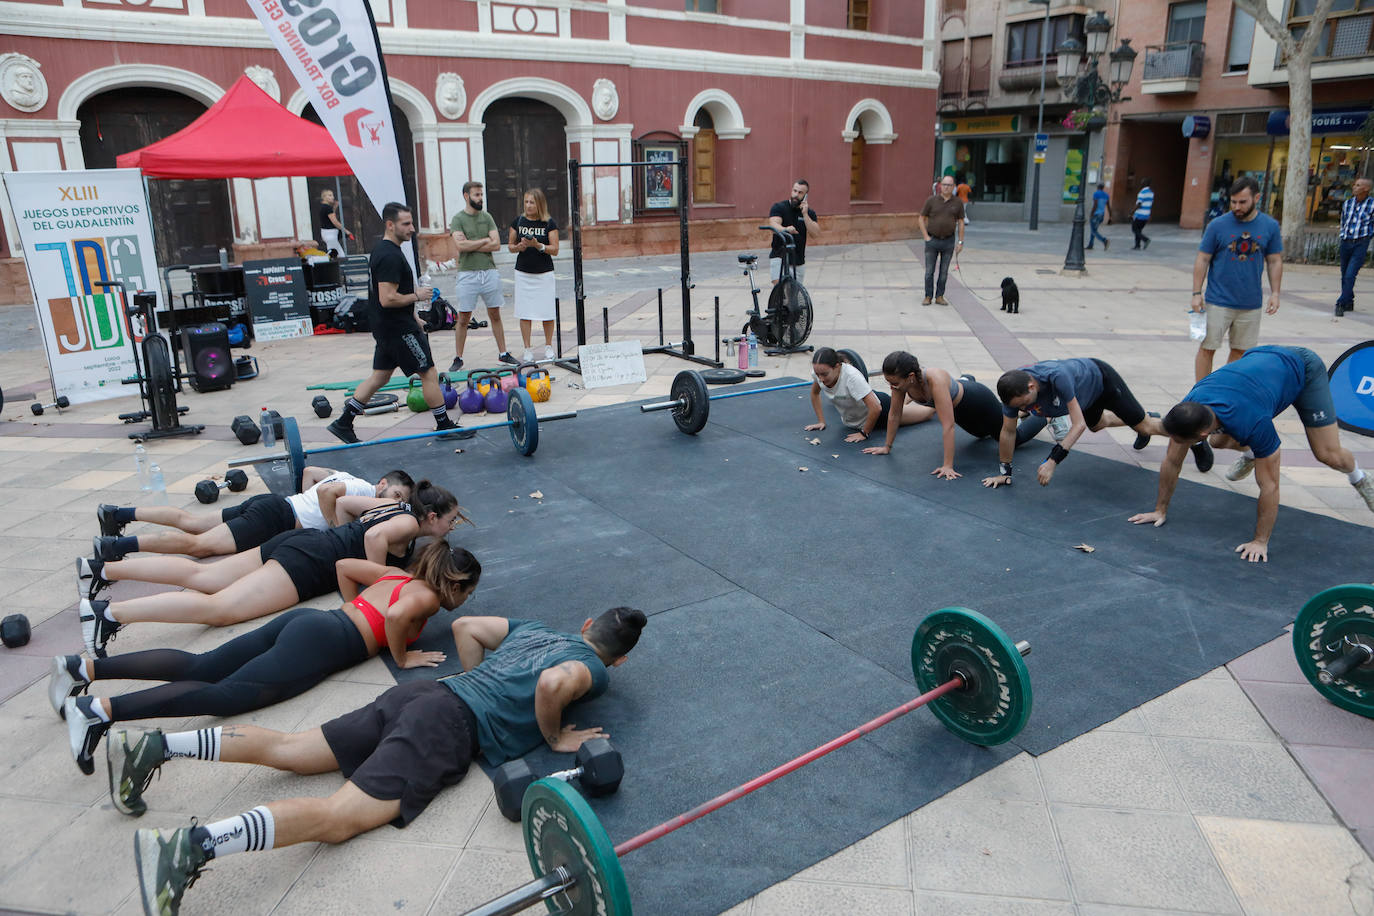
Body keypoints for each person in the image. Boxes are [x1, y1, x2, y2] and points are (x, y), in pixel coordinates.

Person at [122, 607, 647, 915]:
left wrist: (474, 684)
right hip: (443, 726)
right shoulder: (593, 668)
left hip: (419, 695)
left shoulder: (536, 629)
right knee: (338, 818)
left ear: (586, 622)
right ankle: (191, 847)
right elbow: (557, 682)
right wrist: (552, 735)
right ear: (620, 658)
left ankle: (159, 745)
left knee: (290, 747)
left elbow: (466, 627)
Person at [56, 543, 481, 777]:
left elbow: (345, 566)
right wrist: (400, 656)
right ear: (454, 584)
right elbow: (395, 615)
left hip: (312, 622)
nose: (465, 601)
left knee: (201, 665)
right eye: (467, 593)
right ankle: (99, 711)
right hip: (324, 641)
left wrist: (351, 614)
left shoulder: (399, 576)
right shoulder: (424, 597)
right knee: (222, 696)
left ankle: (86, 670)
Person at [75, 484, 464, 658]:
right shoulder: (409, 525)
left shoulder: (392, 506)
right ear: (431, 516)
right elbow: (376, 539)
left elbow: (343, 503)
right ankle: (108, 615)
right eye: (450, 521)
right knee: (219, 609)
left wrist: (333, 534)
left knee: (204, 577)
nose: (451, 528)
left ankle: (104, 568)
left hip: (302, 542)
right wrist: (365, 593)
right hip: (306, 565)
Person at [1130, 345, 1374, 562]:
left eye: (1183, 441)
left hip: (1303, 368)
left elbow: (1270, 486)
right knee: (1219, 442)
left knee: (1327, 454)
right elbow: (1172, 461)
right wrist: (1159, 509)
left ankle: (1360, 477)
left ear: (1201, 434)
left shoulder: (1253, 422)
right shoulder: (1190, 408)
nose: (1176, 443)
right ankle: (1248, 453)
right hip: (1261, 363)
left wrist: (1260, 541)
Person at [326, 203, 466, 444]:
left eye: (411, 223)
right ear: (390, 225)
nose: (411, 228)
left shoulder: (387, 250)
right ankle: (443, 426)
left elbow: (391, 294)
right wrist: (417, 296)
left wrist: (414, 316)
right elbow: (387, 298)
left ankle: (343, 423)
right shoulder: (389, 255)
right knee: (428, 372)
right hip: (397, 328)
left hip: (389, 326)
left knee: (380, 377)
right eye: (406, 224)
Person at [89, 468, 414, 564]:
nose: (395, 503)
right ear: (383, 483)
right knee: (198, 545)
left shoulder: (347, 476)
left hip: (274, 505)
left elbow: (312, 473)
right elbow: (329, 494)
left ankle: (117, 514)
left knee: (191, 523)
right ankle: (115, 548)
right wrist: (331, 528)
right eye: (396, 495)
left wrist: (301, 500)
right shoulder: (364, 490)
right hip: (274, 518)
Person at [981, 358, 1210, 489]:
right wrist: (1004, 471)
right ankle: (1142, 416)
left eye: (1025, 404)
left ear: (1032, 387)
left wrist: (1053, 461)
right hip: (1085, 398)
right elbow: (1008, 432)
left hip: (1102, 381)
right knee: (1097, 424)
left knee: (1146, 427)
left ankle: (1191, 438)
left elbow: (1076, 425)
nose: (1024, 410)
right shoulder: (1013, 393)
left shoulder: (1056, 377)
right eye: (1019, 408)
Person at [862, 351, 1047, 479]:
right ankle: (1017, 410)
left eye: (894, 383)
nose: (891, 387)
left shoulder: (935, 379)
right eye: (888, 382)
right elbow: (894, 414)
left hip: (978, 402)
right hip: (962, 411)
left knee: (1012, 439)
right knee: (982, 435)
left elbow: (948, 425)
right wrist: (887, 446)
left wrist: (948, 465)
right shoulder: (901, 384)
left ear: (910, 376)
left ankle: (1047, 415)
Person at [1190, 176, 1283, 381]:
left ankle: (1223, 390)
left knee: (1241, 352)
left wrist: (1275, 293)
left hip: (1250, 303)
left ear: (1256, 198)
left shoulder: (1270, 226)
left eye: (1242, 202)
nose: (1237, 207)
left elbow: (1274, 260)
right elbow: (1203, 259)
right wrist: (1197, 293)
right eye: (1233, 202)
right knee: (1207, 348)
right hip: (1218, 300)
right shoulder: (1217, 225)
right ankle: (1201, 394)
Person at [449, 180, 515, 372]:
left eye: (481, 195)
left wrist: (474, 242)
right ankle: (458, 357)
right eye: (476, 195)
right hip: (467, 273)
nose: (480, 198)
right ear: (466, 196)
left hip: (489, 271)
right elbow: (460, 246)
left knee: (495, 313)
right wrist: (485, 240)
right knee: (463, 317)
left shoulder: (487, 217)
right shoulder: (458, 219)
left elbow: (496, 244)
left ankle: (503, 353)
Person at [805, 347, 934, 444]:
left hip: (882, 411)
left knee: (928, 412)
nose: (820, 378)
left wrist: (864, 433)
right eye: (818, 374)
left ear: (838, 366)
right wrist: (821, 421)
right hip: (862, 411)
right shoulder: (819, 373)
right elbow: (815, 393)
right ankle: (909, 395)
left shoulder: (852, 377)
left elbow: (876, 407)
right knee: (903, 405)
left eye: (824, 374)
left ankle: (938, 396)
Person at [509, 188, 559, 363]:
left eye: (532, 202)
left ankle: (548, 346)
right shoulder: (518, 221)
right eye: (526, 202)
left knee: (547, 311)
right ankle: (527, 348)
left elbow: (556, 249)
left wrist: (539, 245)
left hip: (544, 272)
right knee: (524, 311)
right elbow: (510, 246)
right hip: (523, 272)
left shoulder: (549, 223)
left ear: (539, 204)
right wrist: (519, 247)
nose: (528, 205)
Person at [919, 176, 964, 306]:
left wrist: (961, 242)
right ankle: (928, 296)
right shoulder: (931, 200)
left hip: (948, 242)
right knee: (929, 271)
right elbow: (921, 218)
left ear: (954, 186)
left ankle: (939, 296)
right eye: (944, 184)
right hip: (932, 240)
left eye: (949, 185)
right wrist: (926, 237)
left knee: (944, 272)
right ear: (940, 186)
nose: (946, 187)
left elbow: (961, 222)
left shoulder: (958, 202)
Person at [768, 179, 820, 285]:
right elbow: (773, 224)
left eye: (800, 193)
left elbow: (815, 234)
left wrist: (805, 215)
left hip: (798, 260)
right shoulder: (779, 207)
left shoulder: (809, 213)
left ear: (806, 196)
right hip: (780, 256)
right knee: (782, 289)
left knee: (794, 295)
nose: (796, 195)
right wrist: (785, 229)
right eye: (795, 191)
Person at [1336, 177, 1373, 317]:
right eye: (1354, 185)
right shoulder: (1348, 203)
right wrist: (1342, 234)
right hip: (1346, 242)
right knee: (1344, 274)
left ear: (1366, 189)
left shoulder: (1372, 205)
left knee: (1350, 274)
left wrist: (1368, 236)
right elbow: (1344, 220)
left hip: (1360, 243)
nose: (1354, 187)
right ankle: (1349, 300)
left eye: (1358, 185)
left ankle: (1341, 303)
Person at [316, 189, 353, 257]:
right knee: (337, 255)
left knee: (338, 254)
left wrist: (335, 208)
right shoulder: (327, 208)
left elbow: (330, 218)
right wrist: (346, 230)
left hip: (328, 233)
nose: (332, 197)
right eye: (330, 195)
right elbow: (335, 222)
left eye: (332, 195)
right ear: (324, 197)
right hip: (330, 234)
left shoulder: (324, 207)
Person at [1087, 183, 1111, 250]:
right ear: (1103, 187)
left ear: (1097, 187)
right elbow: (1108, 206)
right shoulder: (1106, 195)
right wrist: (1110, 216)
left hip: (1096, 214)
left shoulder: (1096, 194)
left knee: (1093, 230)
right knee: (1094, 229)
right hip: (1101, 215)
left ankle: (1104, 240)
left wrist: (1092, 213)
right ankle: (1090, 245)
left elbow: (1095, 204)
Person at [1131, 179, 1153, 250]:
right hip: (1146, 214)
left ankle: (1145, 239)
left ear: (1144, 184)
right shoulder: (1151, 193)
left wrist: (1131, 212)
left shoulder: (1142, 192)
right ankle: (1137, 245)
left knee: (1134, 229)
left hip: (1140, 214)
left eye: (1141, 182)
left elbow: (1139, 204)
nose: (1140, 184)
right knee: (1139, 230)